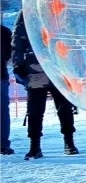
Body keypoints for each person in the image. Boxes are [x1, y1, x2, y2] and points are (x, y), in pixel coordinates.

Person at [11, 11, 78, 159]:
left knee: (65, 108)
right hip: (35, 68)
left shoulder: (58, 6)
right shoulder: (27, 11)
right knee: (34, 111)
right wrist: (18, 64)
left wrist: (75, 62)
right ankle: (35, 145)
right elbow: (18, 38)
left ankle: (69, 142)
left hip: (59, 66)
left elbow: (71, 35)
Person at [1, 22, 13, 155]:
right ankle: (3, 144)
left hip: (1, 76)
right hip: (1, 75)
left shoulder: (5, 32)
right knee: (3, 111)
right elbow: (10, 56)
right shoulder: (5, 32)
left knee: (3, 111)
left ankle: (3, 143)